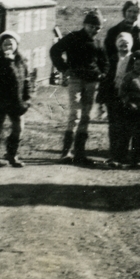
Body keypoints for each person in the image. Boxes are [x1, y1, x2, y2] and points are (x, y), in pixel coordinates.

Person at [49, 10, 107, 166]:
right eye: (91, 26)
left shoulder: (99, 43)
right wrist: (64, 69)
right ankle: (66, 152)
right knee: (75, 113)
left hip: (91, 83)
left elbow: (104, 62)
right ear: (85, 24)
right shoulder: (72, 37)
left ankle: (80, 153)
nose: (94, 30)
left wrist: (102, 74)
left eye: (97, 27)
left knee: (86, 116)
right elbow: (54, 51)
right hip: (75, 80)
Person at [0, 31, 33, 168]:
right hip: (1, 100)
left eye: (11, 44)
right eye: (5, 44)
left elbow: (27, 80)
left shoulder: (22, 59)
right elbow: (4, 76)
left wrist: (28, 98)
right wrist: (8, 61)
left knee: (18, 128)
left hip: (17, 101)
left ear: (17, 45)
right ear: (1, 46)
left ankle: (12, 155)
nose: (8, 46)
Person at [100, 31, 135, 166]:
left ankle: (122, 155)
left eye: (126, 44)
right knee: (113, 126)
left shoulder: (133, 59)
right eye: (121, 44)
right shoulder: (113, 58)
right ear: (116, 45)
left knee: (125, 127)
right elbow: (107, 78)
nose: (123, 47)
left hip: (127, 96)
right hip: (113, 96)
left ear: (130, 45)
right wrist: (103, 97)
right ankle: (113, 155)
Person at [104, 0, 140, 79]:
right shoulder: (114, 31)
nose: (132, 15)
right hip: (117, 74)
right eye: (129, 11)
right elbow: (107, 56)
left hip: (139, 76)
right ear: (124, 12)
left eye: (135, 12)